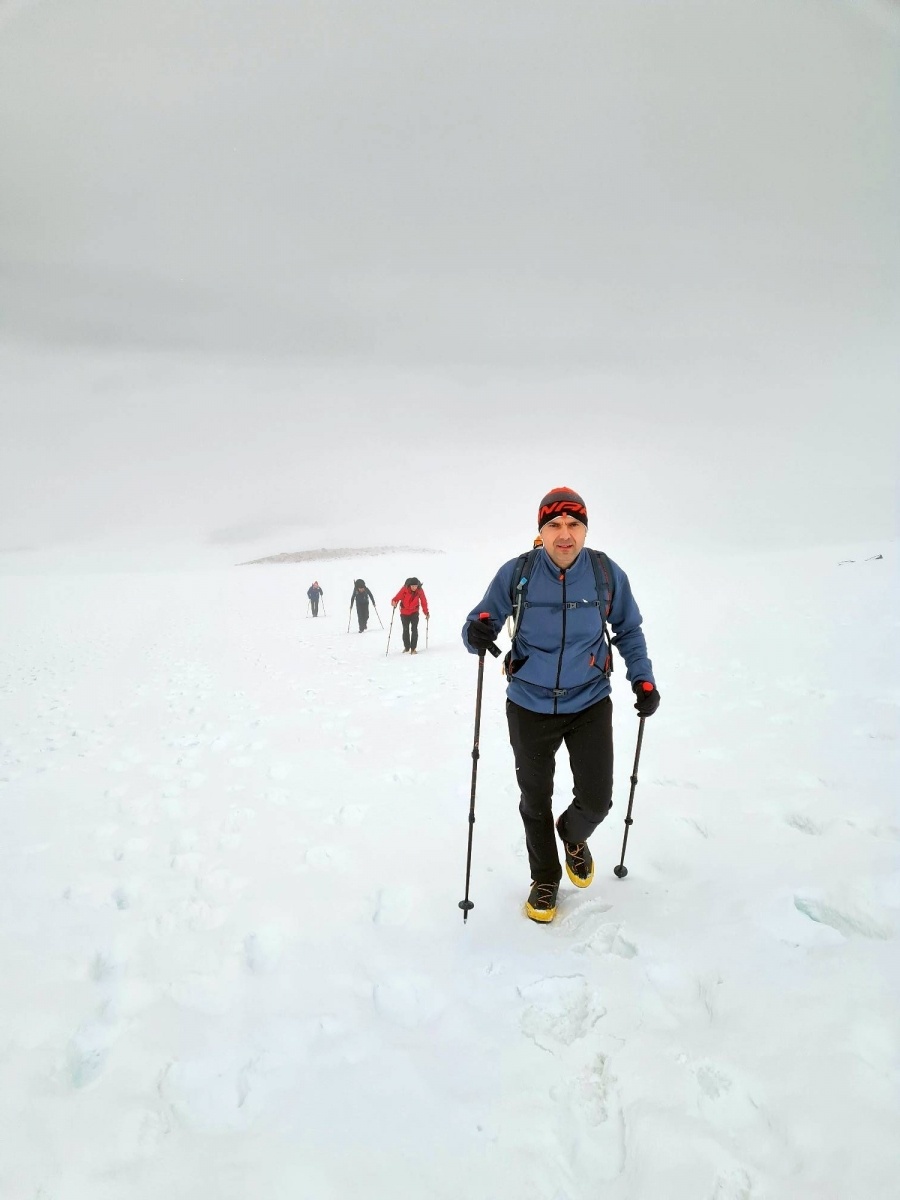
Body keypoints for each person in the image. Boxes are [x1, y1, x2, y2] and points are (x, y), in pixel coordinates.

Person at [461, 487, 659, 925]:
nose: (564, 535)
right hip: (529, 704)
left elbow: (629, 630)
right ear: (542, 531)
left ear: (585, 529)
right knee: (535, 798)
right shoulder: (517, 574)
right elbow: (479, 621)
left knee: (598, 800)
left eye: (573, 525)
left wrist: (642, 678)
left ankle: (572, 835)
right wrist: (476, 633)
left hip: (589, 700)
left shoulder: (606, 574)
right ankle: (545, 877)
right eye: (554, 526)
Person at [391, 577, 430, 653]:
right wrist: (394, 602)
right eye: (412, 586)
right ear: (409, 585)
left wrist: (426, 612)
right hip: (404, 613)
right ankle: (407, 647)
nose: (414, 588)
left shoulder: (420, 590)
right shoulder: (404, 589)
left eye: (415, 586)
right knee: (405, 630)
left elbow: (423, 602)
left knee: (414, 629)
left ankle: (413, 648)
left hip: (414, 612)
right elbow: (396, 598)